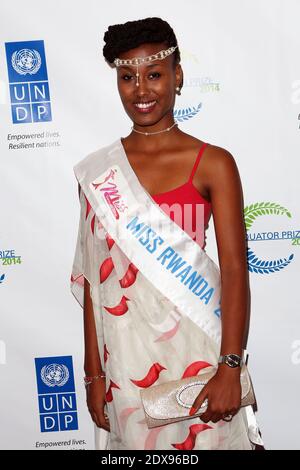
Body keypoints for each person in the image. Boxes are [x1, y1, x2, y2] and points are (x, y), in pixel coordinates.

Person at [70, 17, 264, 450]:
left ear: (178, 77)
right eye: (127, 77)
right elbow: (92, 285)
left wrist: (230, 367)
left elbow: (234, 270)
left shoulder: (214, 163)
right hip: (124, 362)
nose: (141, 90)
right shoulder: (98, 175)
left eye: (154, 74)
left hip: (201, 356)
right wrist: (93, 375)